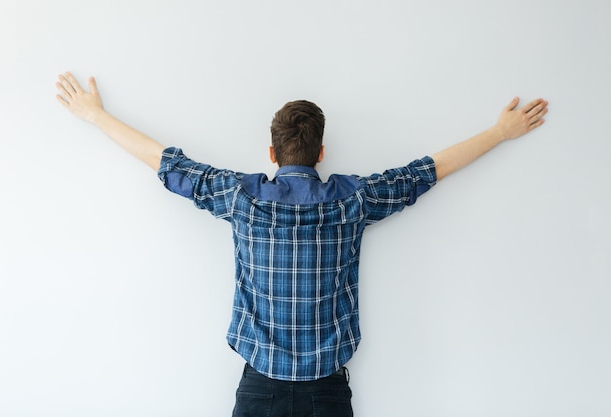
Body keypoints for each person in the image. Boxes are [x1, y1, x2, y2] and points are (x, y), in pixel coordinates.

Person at [55, 72, 548, 417]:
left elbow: (167, 164)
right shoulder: (352, 201)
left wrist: (96, 116)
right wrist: (500, 132)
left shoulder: (240, 197)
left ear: (272, 152)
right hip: (326, 395)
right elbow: (427, 172)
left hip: (258, 391)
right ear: (321, 152)